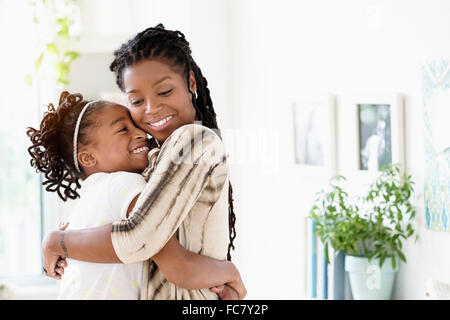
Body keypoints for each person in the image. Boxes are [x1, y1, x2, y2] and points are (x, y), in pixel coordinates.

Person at [41, 24, 244, 300]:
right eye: (136, 100)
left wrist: (59, 242)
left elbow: (139, 237)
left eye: (164, 92)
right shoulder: (148, 162)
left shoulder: (194, 141)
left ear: (191, 83)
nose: (151, 109)